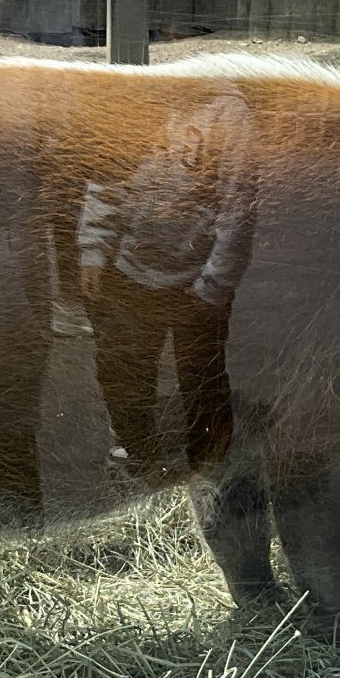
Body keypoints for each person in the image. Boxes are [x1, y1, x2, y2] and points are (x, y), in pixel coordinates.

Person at [76, 92, 257, 479]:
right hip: (132, 269)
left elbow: (238, 208)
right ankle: (137, 450)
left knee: (201, 376)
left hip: (196, 279)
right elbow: (108, 175)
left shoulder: (230, 114)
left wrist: (213, 285)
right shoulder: (145, 94)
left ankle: (208, 463)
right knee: (123, 368)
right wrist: (93, 247)